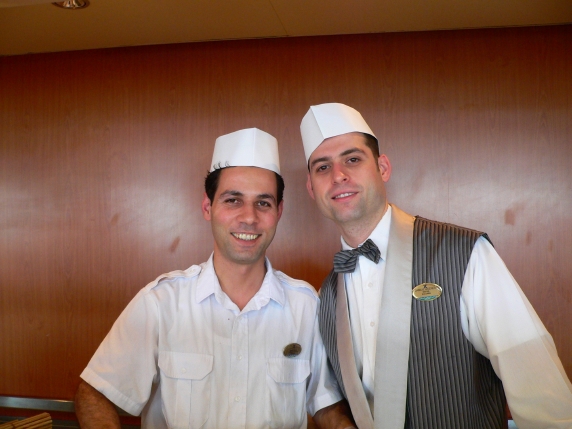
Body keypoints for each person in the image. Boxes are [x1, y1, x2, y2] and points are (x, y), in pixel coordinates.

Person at [299, 103, 572, 429]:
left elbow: (536, 383)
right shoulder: (326, 294)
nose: (338, 175)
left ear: (383, 168)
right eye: (323, 167)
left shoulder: (463, 252)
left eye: (353, 159)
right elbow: (328, 396)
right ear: (311, 188)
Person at [74, 128, 354, 429]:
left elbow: (326, 404)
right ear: (208, 208)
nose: (249, 217)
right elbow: (95, 393)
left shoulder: (306, 306)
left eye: (263, 203)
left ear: (279, 211)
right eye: (233, 200)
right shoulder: (160, 303)